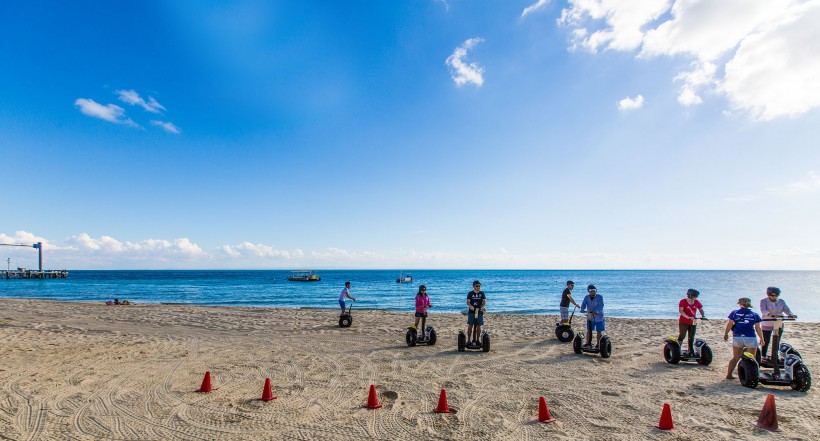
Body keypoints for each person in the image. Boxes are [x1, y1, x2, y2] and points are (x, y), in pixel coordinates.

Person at [723, 297, 764, 380]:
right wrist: (762, 338)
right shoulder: (754, 315)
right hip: (750, 337)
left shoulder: (734, 313)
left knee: (735, 357)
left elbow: (730, 324)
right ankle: (753, 376)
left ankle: (729, 375)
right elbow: (758, 328)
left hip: (738, 336)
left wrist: (726, 334)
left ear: (740, 304)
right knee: (752, 358)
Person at [759, 286, 797, 360]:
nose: (775, 297)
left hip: (778, 322)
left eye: (776, 295)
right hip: (767, 323)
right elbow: (763, 310)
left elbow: (786, 309)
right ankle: (763, 356)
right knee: (765, 340)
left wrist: (790, 314)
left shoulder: (781, 301)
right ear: (768, 294)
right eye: (773, 295)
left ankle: (775, 355)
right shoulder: (763, 301)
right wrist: (771, 314)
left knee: (777, 340)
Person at [678, 289, 706, 356]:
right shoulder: (683, 301)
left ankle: (690, 350)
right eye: (695, 296)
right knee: (682, 335)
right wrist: (688, 317)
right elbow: (681, 311)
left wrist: (703, 315)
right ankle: (678, 349)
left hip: (693, 322)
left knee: (691, 337)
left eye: (696, 296)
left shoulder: (696, 302)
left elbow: (700, 309)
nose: (695, 297)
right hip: (683, 321)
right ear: (690, 295)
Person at [580, 285, 605, 349]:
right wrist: (582, 309)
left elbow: (601, 306)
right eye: (591, 291)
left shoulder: (599, 297)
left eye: (594, 290)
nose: (593, 292)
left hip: (599, 316)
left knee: (599, 331)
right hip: (590, 316)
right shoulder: (586, 297)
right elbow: (583, 304)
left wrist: (596, 311)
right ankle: (588, 343)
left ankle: (598, 344)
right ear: (588, 291)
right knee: (589, 330)